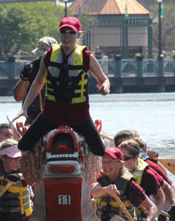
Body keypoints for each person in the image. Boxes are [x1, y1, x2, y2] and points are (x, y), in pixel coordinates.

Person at [14, 17, 110, 155]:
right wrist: (24, 108)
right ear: (59, 33)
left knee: (99, 150)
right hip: (52, 113)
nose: (67, 36)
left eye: (71, 32)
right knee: (23, 145)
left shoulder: (86, 57)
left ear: (79, 34)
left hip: (79, 115)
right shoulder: (48, 55)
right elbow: (38, 82)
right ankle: (39, 165)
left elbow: (104, 79)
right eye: (63, 32)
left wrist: (105, 87)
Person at [90, 147, 158, 221]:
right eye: (104, 162)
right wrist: (105, 189)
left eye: (110, 162)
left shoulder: (130, 185)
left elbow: (153, 208)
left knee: (116, 220)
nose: (106, 166)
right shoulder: (101, 178)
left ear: (120, 164)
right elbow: (94, 191)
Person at [13, 36, 58, 125]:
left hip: (58, 116)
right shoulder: (30, 68)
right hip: (33, 116)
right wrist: (24, 78)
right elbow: (18, 97)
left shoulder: (63, 68)